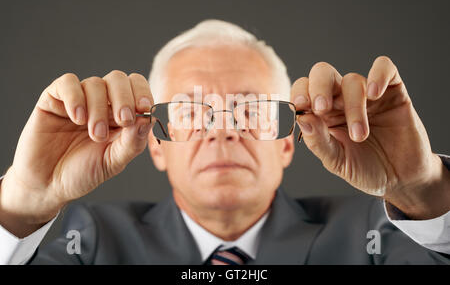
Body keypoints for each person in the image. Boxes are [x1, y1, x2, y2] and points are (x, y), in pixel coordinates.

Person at [0, 20, 449, 265]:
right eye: (192, 112)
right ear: (156, 144)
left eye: (251, 110)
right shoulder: (96, 243)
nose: (223, 130)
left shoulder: (374, 235)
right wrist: (22, 204)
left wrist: (421, 190)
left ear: (288, 144)